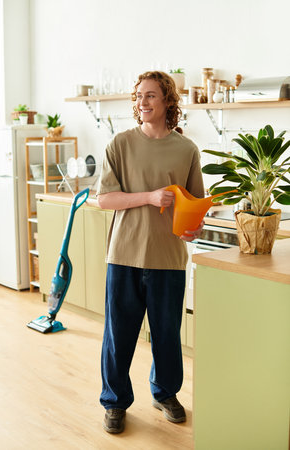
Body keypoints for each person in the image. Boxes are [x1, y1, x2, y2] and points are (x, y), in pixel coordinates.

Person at [96, 70, 205, 434]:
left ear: (168, 102)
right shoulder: (121, 144)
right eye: (139, 96)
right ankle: (114, 402)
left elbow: (194, 203)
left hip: (168, 258)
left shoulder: (187, 149)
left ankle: (165, 393)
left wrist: (194, 224)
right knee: (118, 336)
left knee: (167, 334)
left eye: (151, 96)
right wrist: (150, 196)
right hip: (124, 256)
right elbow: (104, 199)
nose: (142, 102)